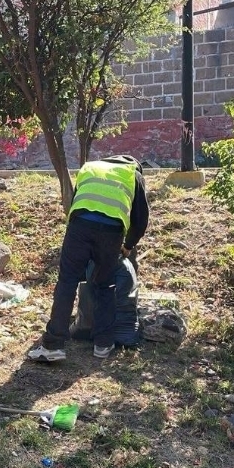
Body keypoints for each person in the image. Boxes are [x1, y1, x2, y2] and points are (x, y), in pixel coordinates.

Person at [28, 155, 149, 362]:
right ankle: (103, 344)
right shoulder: (133, 174)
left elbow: (76, 202)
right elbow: (140, 220)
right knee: (105, 285)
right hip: (112, 232)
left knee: (67, 282)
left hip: (80, 227)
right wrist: (128, 246)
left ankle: (53, 346)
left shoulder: (89, 167)